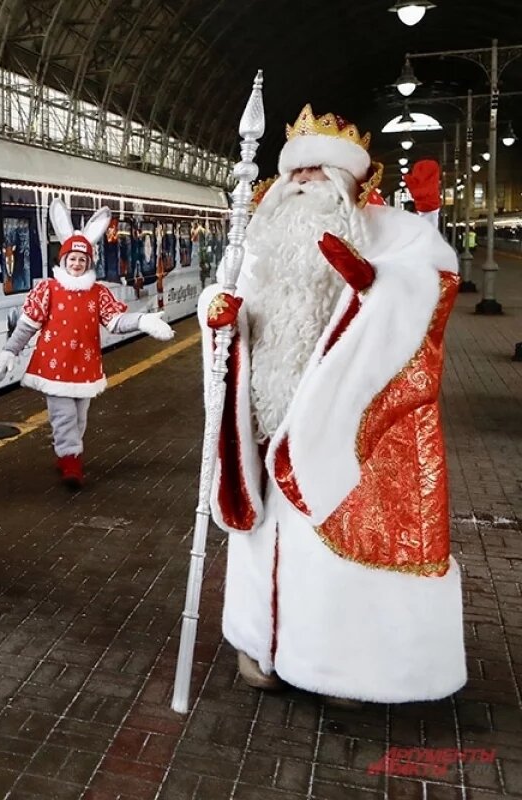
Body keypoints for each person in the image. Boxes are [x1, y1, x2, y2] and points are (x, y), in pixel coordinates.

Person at [199, 105, 466, 706]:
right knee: (266, 538)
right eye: (296, 171)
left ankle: (348, 667)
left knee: (337, 550)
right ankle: (261, 643)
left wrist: (373, 287)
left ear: (351, 179)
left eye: (318, 170)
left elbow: (432, 287)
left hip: (351, 433)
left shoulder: (394, 232)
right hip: (267, 420)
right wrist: (221, 319)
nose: (303, 180)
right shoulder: (261, 239)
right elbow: (231, 298)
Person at [0, 198, 174, 488]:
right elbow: (28, 324)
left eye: (81, 260)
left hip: (85, 365)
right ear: (63, 260)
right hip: (54, 366)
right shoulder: (48, 289)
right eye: (72, 259)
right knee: (63, 415)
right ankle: (71, 461)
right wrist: (9, 352)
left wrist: (142, 321)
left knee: (79, 417)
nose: (76, 264)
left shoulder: (97, 293)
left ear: (89, 262)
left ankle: (66, 453)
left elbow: (115, 321)